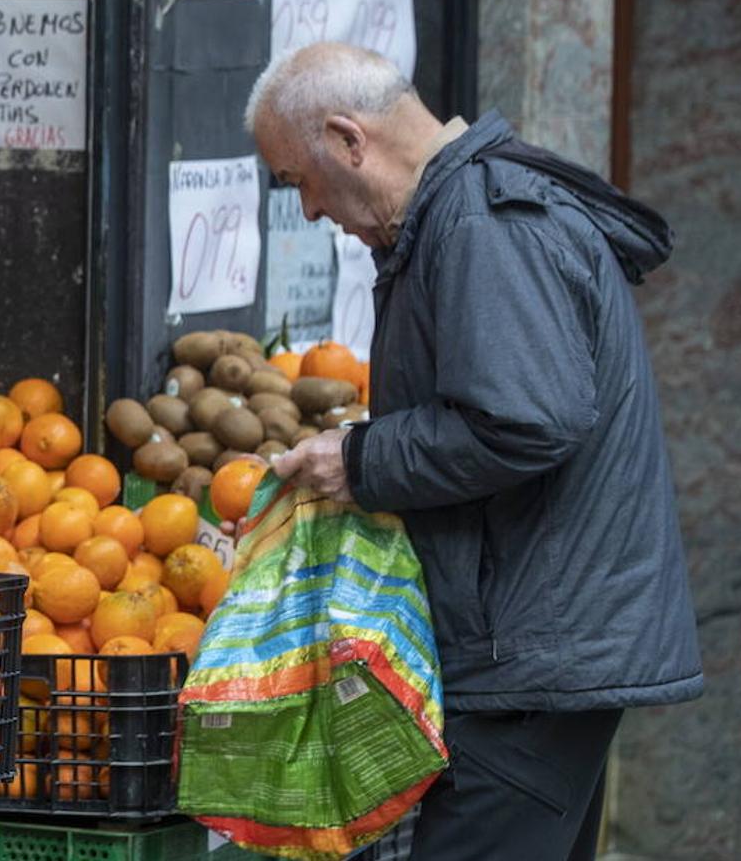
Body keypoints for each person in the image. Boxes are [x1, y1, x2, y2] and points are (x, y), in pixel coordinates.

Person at [244, 43, 701, 861]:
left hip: (530, 661)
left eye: (297, 180)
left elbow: (525, 419)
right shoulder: (459, 216)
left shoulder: (487, 223)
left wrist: (357, 462)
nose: (309, 211)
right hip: (532, 650)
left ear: (351, 141)